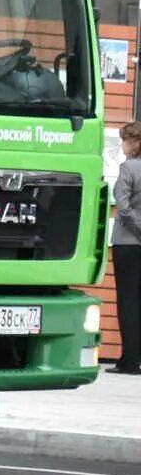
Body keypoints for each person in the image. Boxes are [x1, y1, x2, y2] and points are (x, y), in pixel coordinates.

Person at [111, 120, 141, 375]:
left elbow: (123, 205)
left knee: (128, 301)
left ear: (135, 143)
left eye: (125, 140)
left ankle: (129, 360)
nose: (122, 144)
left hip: (128, 243)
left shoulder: (128, 168)